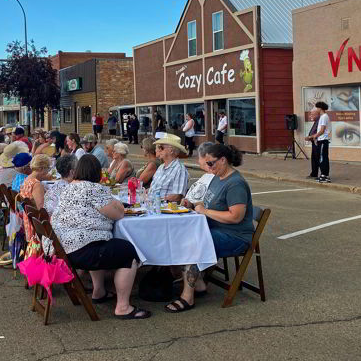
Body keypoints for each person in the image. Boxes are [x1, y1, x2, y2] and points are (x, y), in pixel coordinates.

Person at [51, 154, 151, 319]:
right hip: (79, 252)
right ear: (97, 173)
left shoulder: (69, 187)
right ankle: (123, 307)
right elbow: (118, 213)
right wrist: (116, 202)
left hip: (64, 249)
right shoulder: (93, 189)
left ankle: (99, 292)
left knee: (100, 242)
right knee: (127, 251)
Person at [168, 144, 253, 313]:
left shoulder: (235, 184)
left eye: (211, 163)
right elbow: (208, 203)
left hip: (235, 236)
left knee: (191, 243)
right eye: (207, 164)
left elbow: (236, 216)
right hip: (214, 229)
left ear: (223, 160)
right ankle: (197, 283)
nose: (208, 167)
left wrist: (204, 211)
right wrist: (193, 204)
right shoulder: (217, 177)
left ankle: (188, 297)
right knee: (176, 235)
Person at [149, 134, 189, 202]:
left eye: (161, 147)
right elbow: (154, 189)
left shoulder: (179, 169)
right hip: (152, 205)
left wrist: (157, 200)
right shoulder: (161, 167)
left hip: (164, 208)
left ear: (171, 151)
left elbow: (177, 197)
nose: (157, 150)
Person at [305, 101, 331, 183]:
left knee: (323, 158)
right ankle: (324, 175)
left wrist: (313, 136)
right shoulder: (323, 116)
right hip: (321, 140)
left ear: (320, 108)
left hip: (323, 140)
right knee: (322, 158)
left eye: (317, 107)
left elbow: (322, 130)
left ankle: (324, 175)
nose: (316, 109)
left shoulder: (324, 117)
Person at [306, 112, 321, 178]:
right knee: (314, 159)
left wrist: (310, 137)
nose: (310, 116)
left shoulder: (319, 122)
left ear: (317, 115)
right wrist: (310, 137)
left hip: (317, 142)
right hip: (314, 142)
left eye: (312, 114)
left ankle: (323, 175)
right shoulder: (316, 122)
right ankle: (314, 174)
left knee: (318, 159)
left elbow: (319, 133)